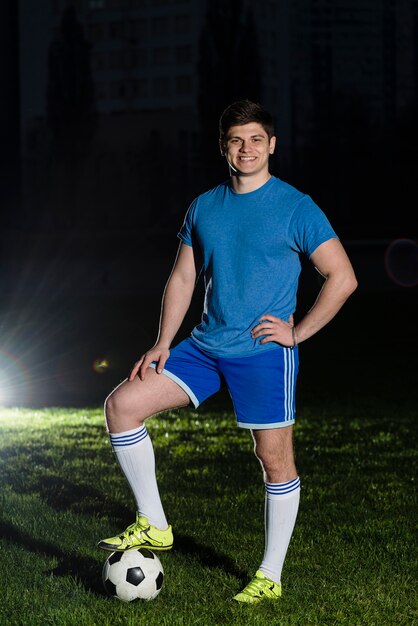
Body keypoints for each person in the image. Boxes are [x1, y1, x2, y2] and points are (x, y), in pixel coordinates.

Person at [98, 99, 358, 604]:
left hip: (263, 351)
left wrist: (298, 332)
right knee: (122, 405)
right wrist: (162, 342)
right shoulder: (204, 206)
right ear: (223, 147)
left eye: (256, 139)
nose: (246, 149)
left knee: (274, 460)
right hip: (205, 344)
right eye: (236, 140)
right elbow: (184, 276)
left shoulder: (296, 206)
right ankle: (154, 523)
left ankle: (269, 575)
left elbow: (342, 276)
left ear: (272, 145)